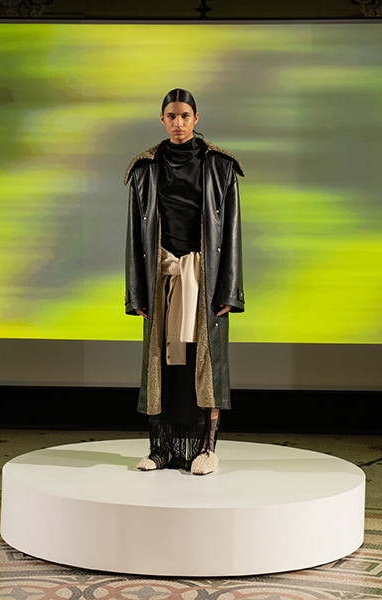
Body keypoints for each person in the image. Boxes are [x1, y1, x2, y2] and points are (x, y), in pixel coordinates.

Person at [124, 88, 245, 475]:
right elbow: (134, 236)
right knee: (162, 363)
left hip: (204, 278)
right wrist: (136, 293)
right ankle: (160, 448)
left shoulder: (221, 167)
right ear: (162, 119)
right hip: (161, 275)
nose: (178, 123)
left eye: (185, 116)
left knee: (204, 363)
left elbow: (231, 233)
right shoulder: (144, 169)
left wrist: (229, 290)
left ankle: (206, 449)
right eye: (171, 116)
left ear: (196, 119)